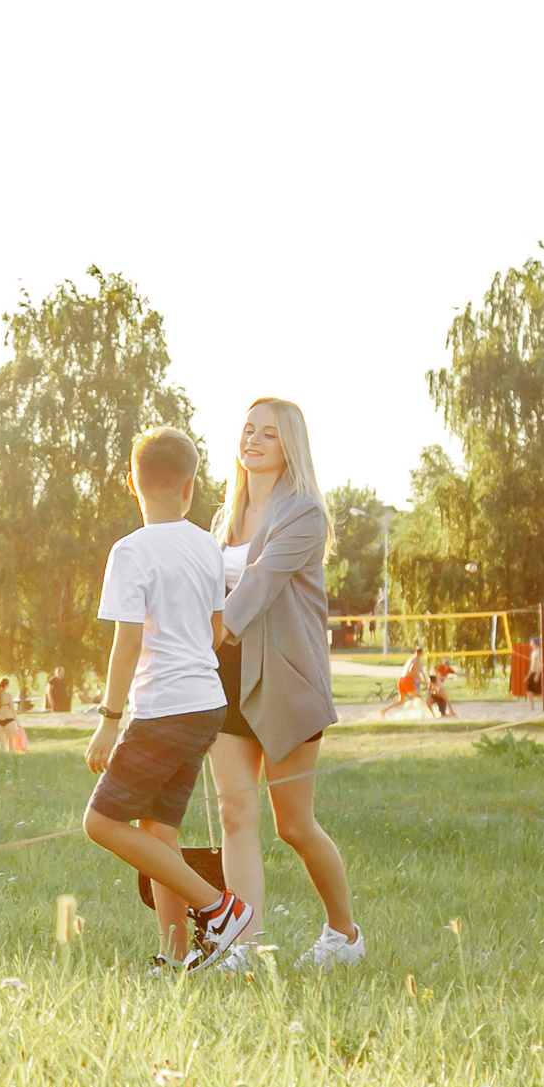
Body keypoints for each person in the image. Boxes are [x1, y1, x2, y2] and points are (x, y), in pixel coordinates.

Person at [83, 427, 254, 973]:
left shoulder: (130, 551)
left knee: (102, 823)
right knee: (159, 831)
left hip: (164, 708)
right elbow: (217, 632)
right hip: (208, 702)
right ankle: (176, 955)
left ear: (132, 483)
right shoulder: (207, 546)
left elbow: (127, 641)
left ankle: (220, 909)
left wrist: (109, 721)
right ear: (189, 488)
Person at [211, 397, 362, 967]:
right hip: (224, 673)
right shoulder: (221, 519)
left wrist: (208, 635)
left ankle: (344, 936)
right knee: (234, 814)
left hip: (284, 680)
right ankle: (241, 947)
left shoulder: (304, 513)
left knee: (293, 825)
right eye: (248, 430)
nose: (253, 440)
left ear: (289, 446)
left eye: (268, 434)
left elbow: (259, 584)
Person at [0, 674, 30, 754]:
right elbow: (13, 710)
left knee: (2, 746)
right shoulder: (8, 695)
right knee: (11, 745)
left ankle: (3, 760)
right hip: (9, 721)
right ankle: (11, 760)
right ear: (7, 686)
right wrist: (18, 723)